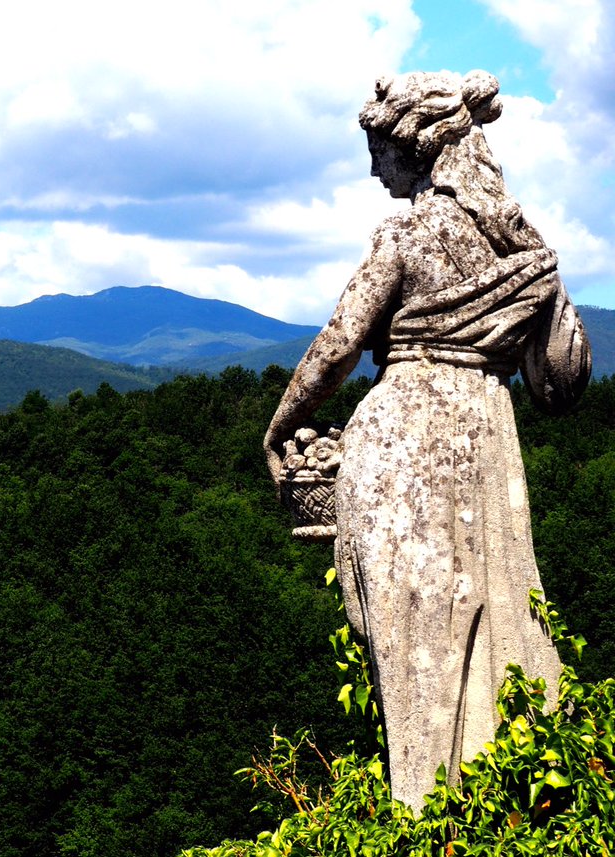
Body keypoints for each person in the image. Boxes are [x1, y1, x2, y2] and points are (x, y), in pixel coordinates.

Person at [263, 70, 591, 810]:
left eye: (379, 150)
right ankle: (497, 801)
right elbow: (562, 383)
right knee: (484, 615)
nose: (374, 168)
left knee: (414, 641)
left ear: (416, 146)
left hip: (405, 445)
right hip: (485, 433)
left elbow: (339, 344)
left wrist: (282, 423)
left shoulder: (407, 233)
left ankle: (424, 811)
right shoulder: (521, 249)